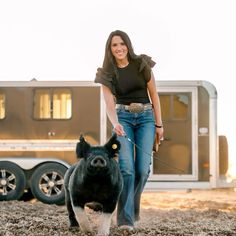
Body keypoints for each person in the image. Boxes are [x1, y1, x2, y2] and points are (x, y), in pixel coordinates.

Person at [94, 30, 164, 231]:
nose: (119, 48)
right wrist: (115, 123)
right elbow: (109, 103)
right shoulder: (106, 74)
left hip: (146, 118)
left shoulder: (141, 64)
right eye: (114, 45)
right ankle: (125, 220)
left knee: (142, 170)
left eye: (122, 43)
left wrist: (159, 125)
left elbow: (154, 96)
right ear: (109, 49)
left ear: (128, 45)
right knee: (126, 169)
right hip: (122, 118)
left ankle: (132, 210)